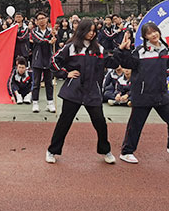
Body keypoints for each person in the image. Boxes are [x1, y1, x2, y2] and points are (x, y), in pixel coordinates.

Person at [46, 19, 116, 165]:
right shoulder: (70, 47)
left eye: (94, 31)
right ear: (82, 30)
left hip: (92, 91)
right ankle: (52, 151)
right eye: (89, 30)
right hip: (73, 91)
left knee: (100, 122)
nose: (92, 33)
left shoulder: (99, 49)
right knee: (65, 122)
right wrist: (66, 74)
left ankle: (105, 150)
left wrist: (121, 50)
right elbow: (53, 61)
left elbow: (111, 63)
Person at [115, 22, 169, 164]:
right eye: (149, 33)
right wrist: (123, 50)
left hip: (160, 94)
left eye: (155, 31)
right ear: (145, 36)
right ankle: (126, 152)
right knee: (136, 125)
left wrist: (161, 76)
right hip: (142, 94)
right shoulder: (140, 51)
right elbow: (127, 64)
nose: (153, 35)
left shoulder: (166, 50)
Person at [29, 12, 56, 113]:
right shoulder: (33, 31)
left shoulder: (51, 31)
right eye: (39, 19)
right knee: (36, 83)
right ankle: (35, 103)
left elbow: (54, 42)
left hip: (48, 59)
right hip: (38, 59)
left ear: (47, 19)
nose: (41, 20)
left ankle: (50, 103)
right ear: (36, 21)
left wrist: (54, 39)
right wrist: (48, 41)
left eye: (43, 18)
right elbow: (38, 40)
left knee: (49, 83)